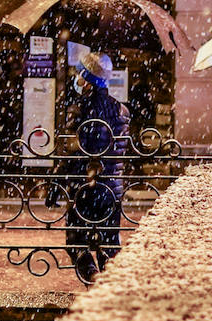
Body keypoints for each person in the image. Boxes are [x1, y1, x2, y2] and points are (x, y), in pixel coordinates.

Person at [58, 51, 130, 284]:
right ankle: (108, 287)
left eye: (79, 75)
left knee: (76, 242)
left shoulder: (79, 111)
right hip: (112, 189)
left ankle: (93, 279)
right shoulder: (121, 111)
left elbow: (71, 154)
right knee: (108, 245)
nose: (76, 80)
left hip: (85, 188)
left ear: (87, 81)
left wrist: (57, 184)